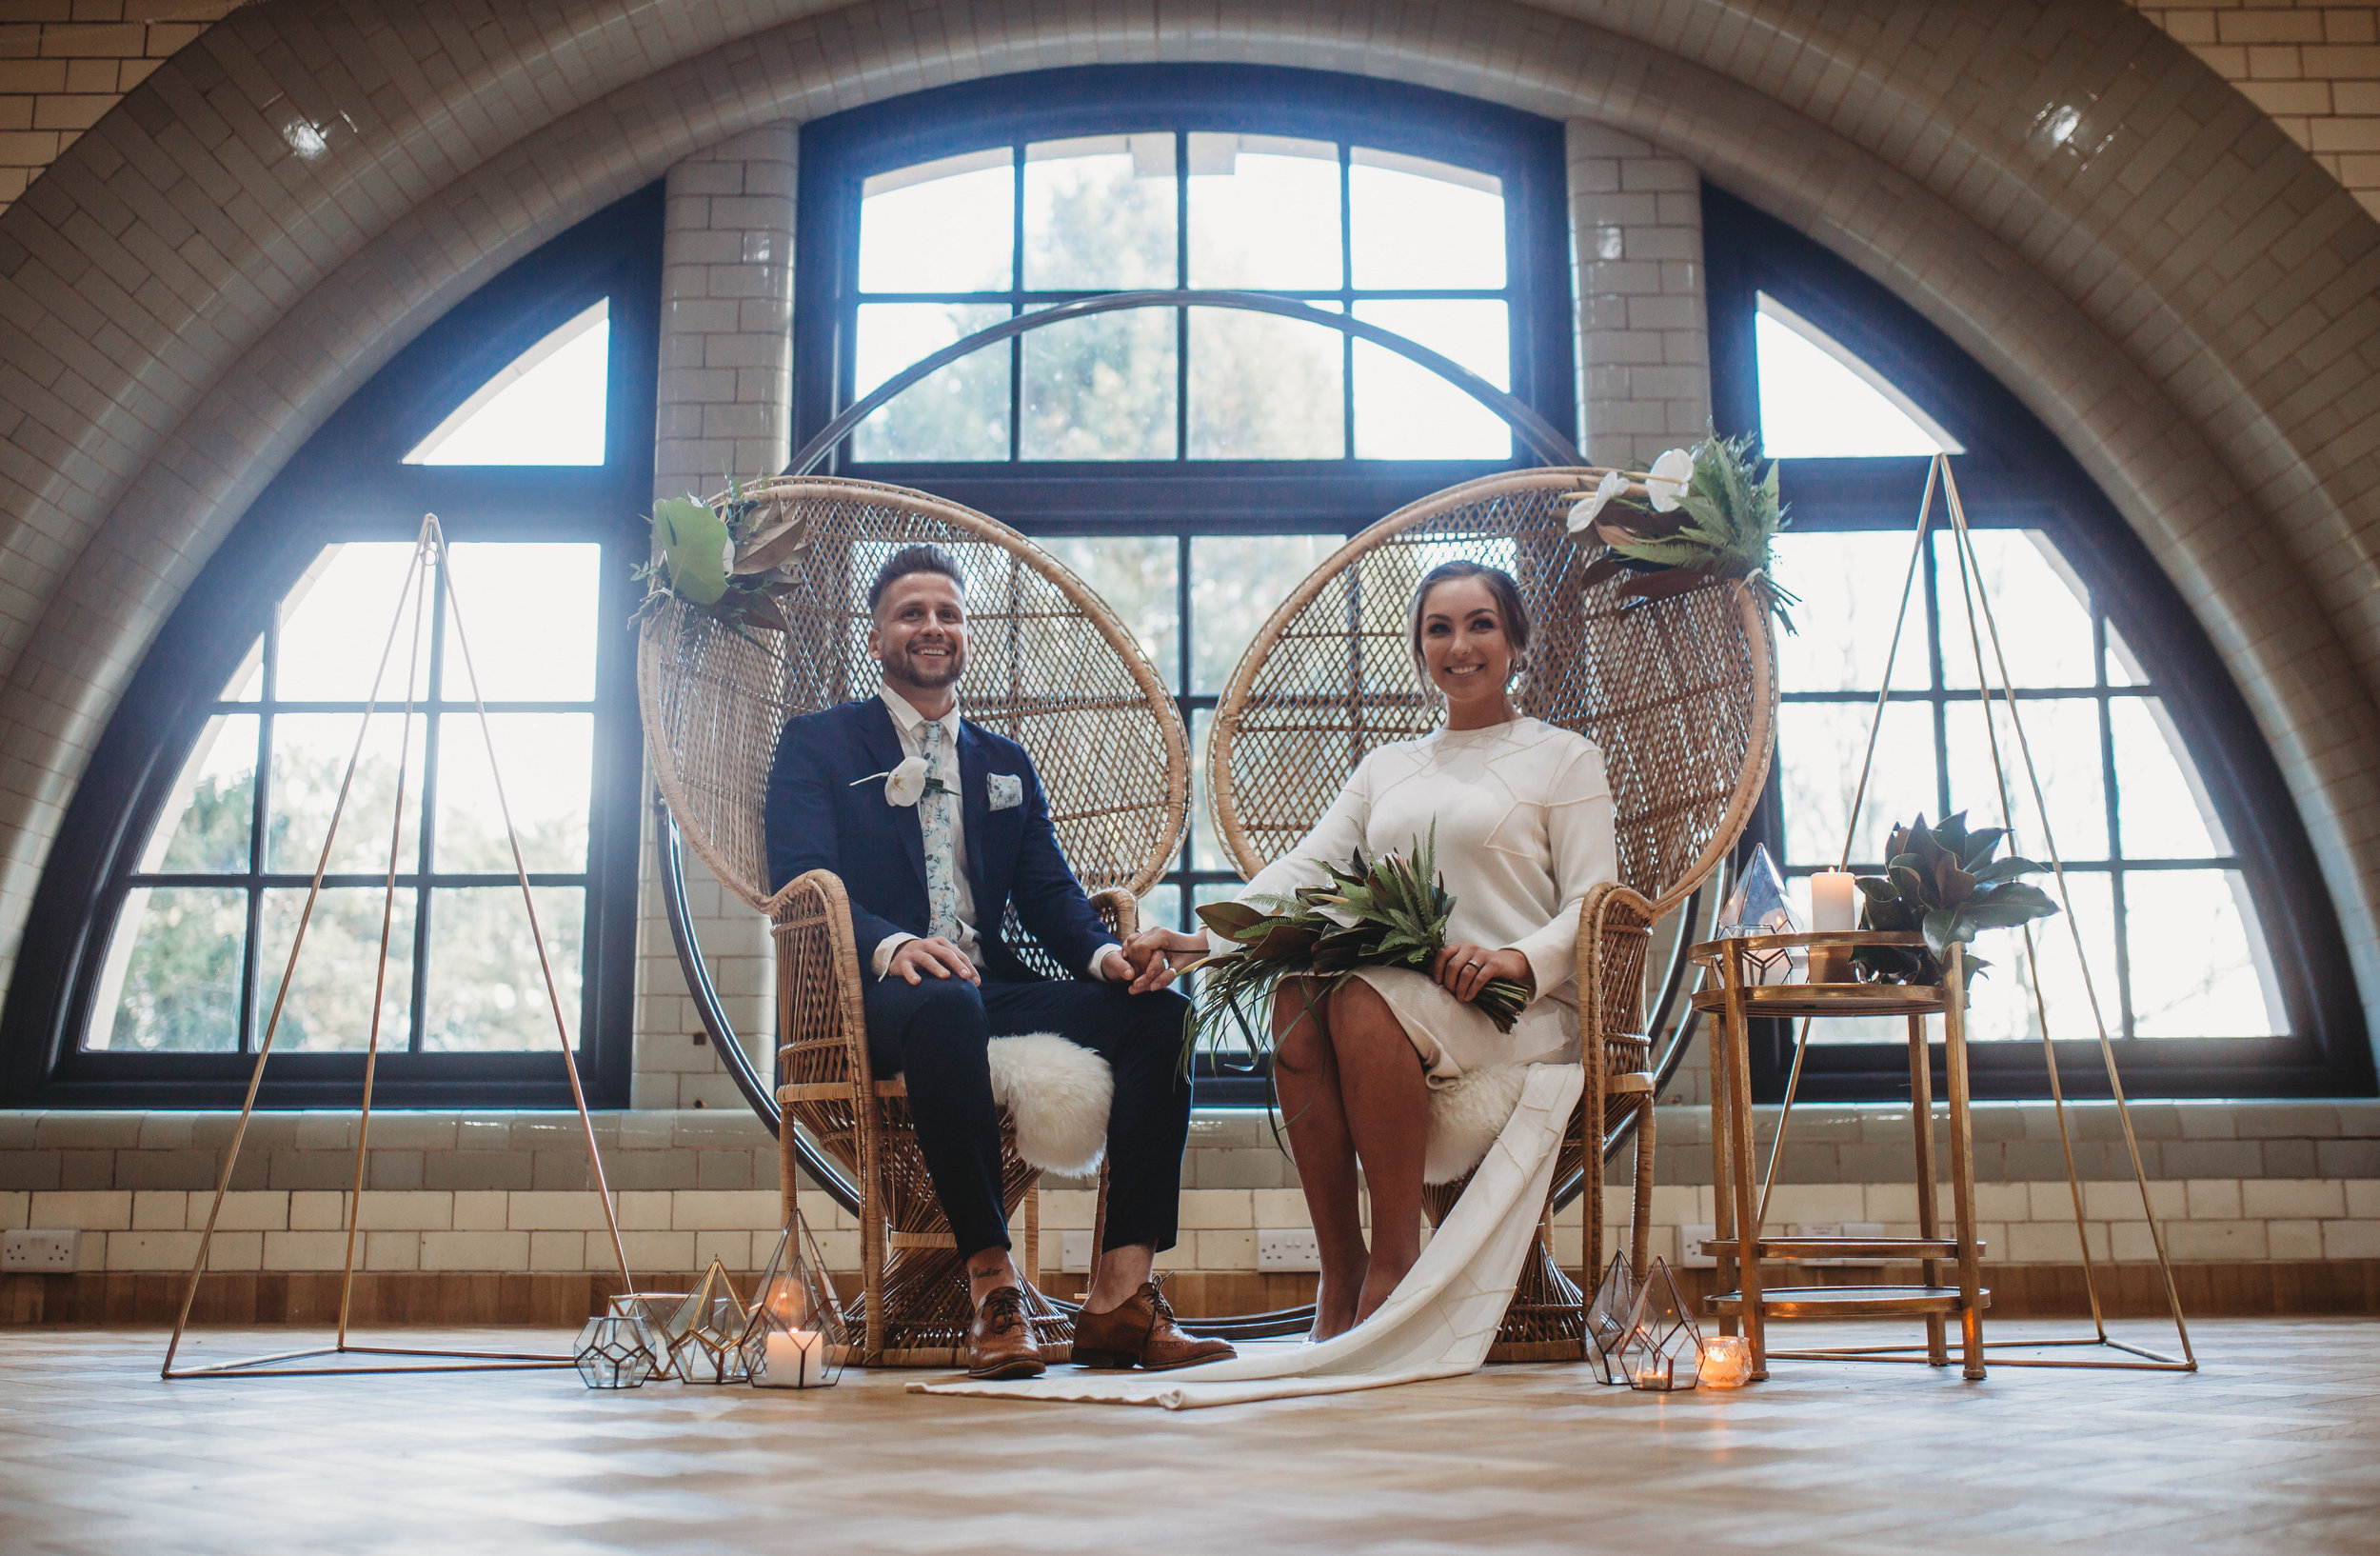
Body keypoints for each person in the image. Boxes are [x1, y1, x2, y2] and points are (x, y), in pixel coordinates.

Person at [764, 545, 1235, 1380]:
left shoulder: (1004, 762)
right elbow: (799, 872)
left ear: (965, 634)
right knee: (948, 1002)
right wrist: (896, 943)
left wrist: (1104, 959)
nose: (932, 627)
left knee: (1161, 1014)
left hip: (994, 988)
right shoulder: (819, 743)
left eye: (948, 613)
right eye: (912, 613)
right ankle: (994, 1291)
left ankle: (1121, 1299)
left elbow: (1051, 895)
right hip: (874, 992)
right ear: (876, 637)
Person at [1124, 559, 1616, 1341]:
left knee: (1354, 995)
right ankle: (1342, 1267)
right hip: (1410, 995)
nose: (1460, 644)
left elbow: (1596, 901)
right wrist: (1201, 938)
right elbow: (1303, 869)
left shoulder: (1564, 757)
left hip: (1517, 1009)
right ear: (1420, 648)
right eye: (1439, 628)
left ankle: (1396, 1265)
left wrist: (1516, 960)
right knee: (1296, 997)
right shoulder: (1388, 767)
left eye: (1481, 623)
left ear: (1517, 639)